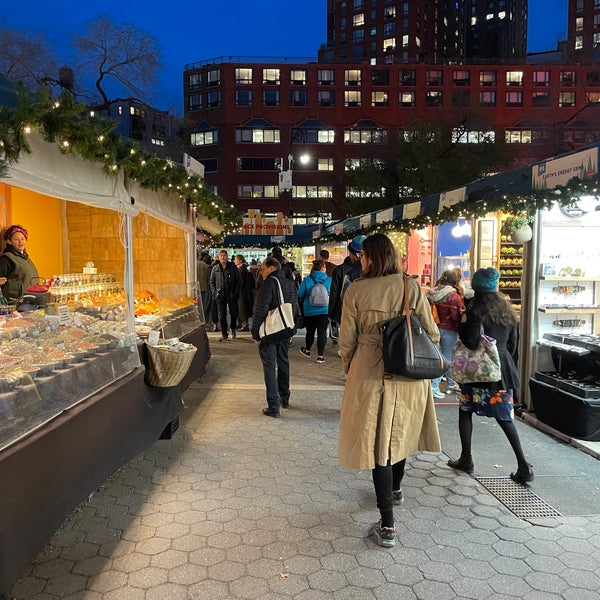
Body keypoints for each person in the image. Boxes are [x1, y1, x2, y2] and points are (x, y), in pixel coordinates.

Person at [338, 233, 442, 548]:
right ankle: (395, 491)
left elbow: (346, 340)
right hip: (409, 374)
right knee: (399, 434)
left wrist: (350, 367)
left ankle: (388, 524)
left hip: (370, 373)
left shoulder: (356, 290)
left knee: (377, 444)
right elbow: (433, 333)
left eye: (363, 256)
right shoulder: (411, 287)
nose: (361, 261)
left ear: (370, 258)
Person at [447, 267, 534, 484]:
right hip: (501, 371)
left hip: (477, 372)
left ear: (476, 287)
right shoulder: (507, 309)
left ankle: (466, 458)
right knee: (505, 416)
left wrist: (464, 325)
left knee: (466, 411)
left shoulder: (474, 309)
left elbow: (472, 341)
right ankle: (523, 464)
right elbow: (513, 344)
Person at [251, 257, 301, 417]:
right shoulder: (288, 282)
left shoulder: (269, 283)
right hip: (285, 330)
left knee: (269, 366)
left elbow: (260, 309)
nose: (261, 273)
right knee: (284, 361)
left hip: (271, 332)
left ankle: (273, 406)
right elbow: (296, 307)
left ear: (271, 268)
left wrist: (255, 332)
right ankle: (284, 397)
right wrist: (292, 329)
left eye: (263, 269)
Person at [427, 269, 465, 398]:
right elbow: (455, 317)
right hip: (449, 329)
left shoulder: (433, 292)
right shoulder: (454, 296)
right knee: (447, 358)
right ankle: (434, 385)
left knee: (439, 357)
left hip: (434, 328)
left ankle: (451, 383)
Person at [328, 235, 366, 344]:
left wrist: (331, 313)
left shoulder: (339, 270)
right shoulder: (368, 270)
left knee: (347, 334)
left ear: (350, 252)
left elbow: (334, 293)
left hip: (344, 309)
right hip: (363, 310)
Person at [297, 259, 331, 364]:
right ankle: (320, 356)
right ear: (322, 268)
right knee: (322, 332)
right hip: (324, 310)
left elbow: (299, 294)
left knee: (310, 332)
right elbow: (332, 293)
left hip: (309, 310)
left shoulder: (307, 279)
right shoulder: (329, 280)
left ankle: (307, 350)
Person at [0, 224, 39, 302]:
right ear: (9, 241)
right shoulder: (6, 259)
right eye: (16, 239)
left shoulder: (26, 258)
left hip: (31, 301)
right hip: (15, 305)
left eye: (22, 238)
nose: (20, 242)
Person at [210, 249, 241, 341]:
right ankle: (224, 333)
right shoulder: (215, 269)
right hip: (220, 295)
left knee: (234, 313)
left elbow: (238, 281)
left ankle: (233, 328)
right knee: (222, 315)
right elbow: (211, 282)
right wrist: (215, 292)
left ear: (227, 257)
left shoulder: (233, 267)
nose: (223, 257)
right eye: (221, 255)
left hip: (231, 294)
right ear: (218, 257)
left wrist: (235, 292)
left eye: (224, 255)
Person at [234, 254, 255, 331]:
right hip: (243, 292)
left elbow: (241, 281)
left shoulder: (242, 269)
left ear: (240, 260)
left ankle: (244, 324)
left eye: (236, 259)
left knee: (242, 308)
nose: (234, 261)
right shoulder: (242, 268)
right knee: (241, 308)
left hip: (242, 292)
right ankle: (242, 324)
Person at [197, 250, 214, 326]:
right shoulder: (205, 266)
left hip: (195, 289)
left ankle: (198, 322)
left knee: (197, 308)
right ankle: (205, 322)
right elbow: (209, 278)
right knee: (205, 306)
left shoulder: (191, 265)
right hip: (205, 288)